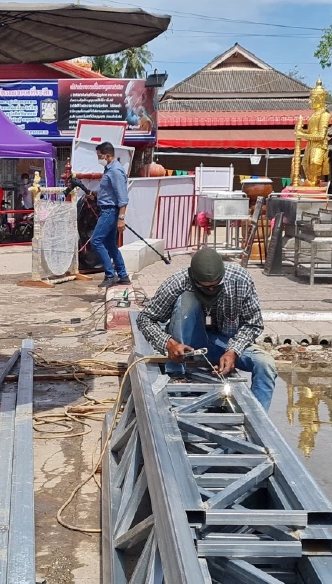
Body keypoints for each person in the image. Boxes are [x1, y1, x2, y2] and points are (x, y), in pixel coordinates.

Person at [136, 248, 277, 408]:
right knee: (187, 299)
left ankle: (259, 420)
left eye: (215, 286)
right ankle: (177, 371)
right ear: (193, 278)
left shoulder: (240, 280)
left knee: (266, 364)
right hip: (190, 346)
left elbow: (254, 323)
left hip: (224, 345)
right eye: (205, 287)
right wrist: (169, 344)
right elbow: (145, 318)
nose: (211, 290)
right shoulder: (178, 282)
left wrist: (233, 351)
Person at [89, 141, 130, 287]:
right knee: (110, 244)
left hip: (110, 211)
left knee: (96, 241)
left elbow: (122, 197)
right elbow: (110, 191)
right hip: (107, 208)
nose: (99, 159)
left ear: (107, 155)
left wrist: (121, 218)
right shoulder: (109, 169)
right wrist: (96, 194)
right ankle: (123, 275)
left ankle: (109, 274)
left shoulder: (115, 171)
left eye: (100, 156)